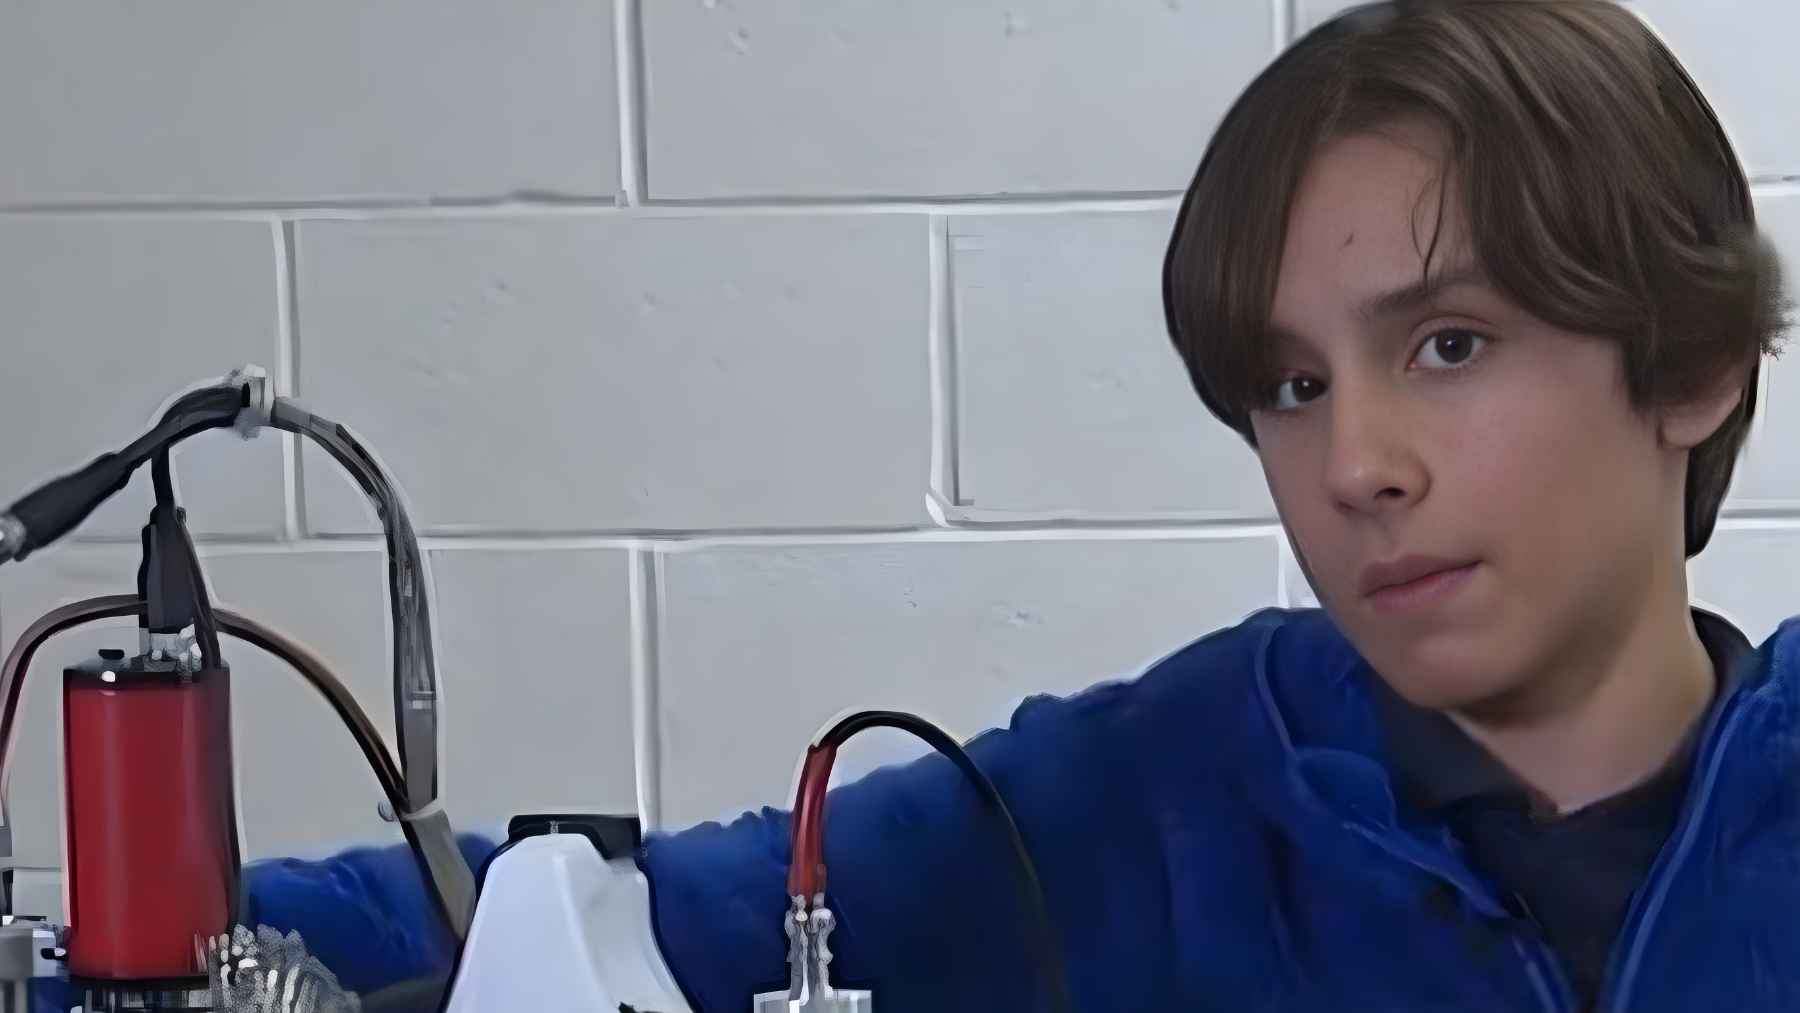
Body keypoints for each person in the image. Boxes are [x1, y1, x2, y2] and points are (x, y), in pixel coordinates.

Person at [246, 2, 1794, 1010]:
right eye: (1292, 385)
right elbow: (604, 911)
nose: (1354, 465)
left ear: (1695, 363)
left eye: (1447, 345)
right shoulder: (1153, 795)